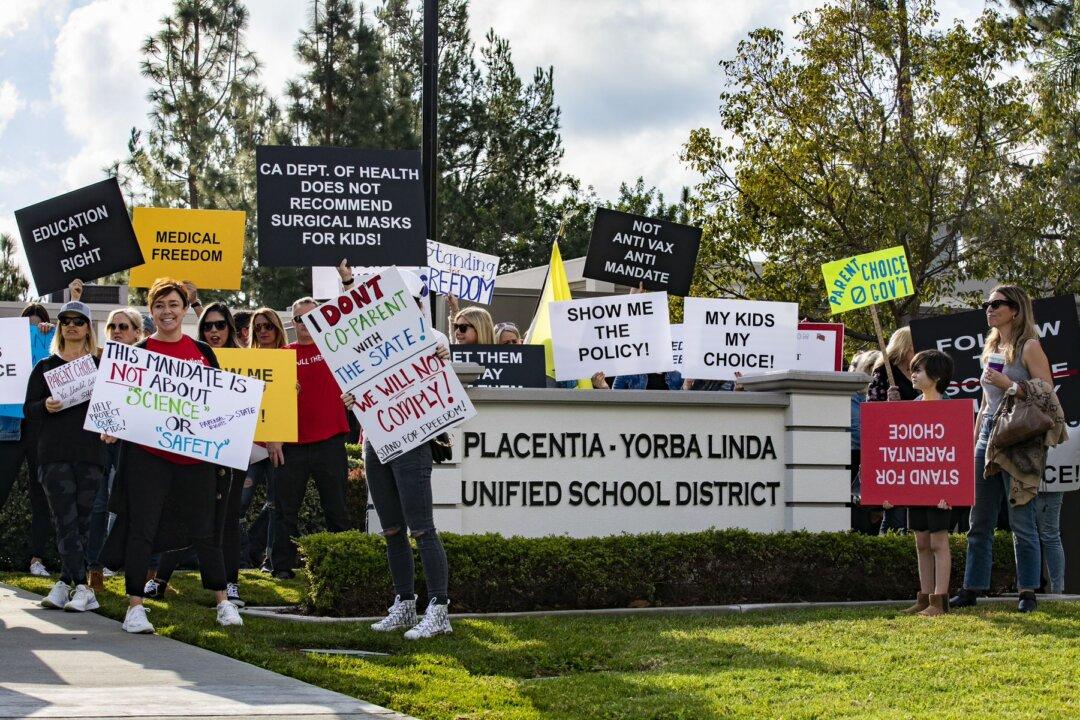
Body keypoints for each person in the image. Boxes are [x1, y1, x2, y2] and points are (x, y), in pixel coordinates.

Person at [102, 277, 242, 633]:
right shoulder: (139, 352)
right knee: (141, 527)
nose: (167, 312)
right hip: (148, 456)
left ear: (184, 310)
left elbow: (218, 403)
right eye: (160, 306)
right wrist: (111, 423)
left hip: (194, 457)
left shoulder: (203, 352)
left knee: (206, 529)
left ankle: (223, 602)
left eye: (174, 305)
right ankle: (135, 606)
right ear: (151, 311)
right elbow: (121, 400)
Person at [343, 269, 455, 640]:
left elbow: (442, 375)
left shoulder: (432, 336)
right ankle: (405, 604)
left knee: (422, 528)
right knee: (391, 528)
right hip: (376, 439)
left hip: (413, 439)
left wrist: (443, 355)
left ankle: (439, 609)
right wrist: (350, 397)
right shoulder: (366, 339)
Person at [952, 286, 1054, 613]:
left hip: (1019, 442)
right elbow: (986, 403)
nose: (989, 309)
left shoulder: (1030, 346)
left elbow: (1047, 393)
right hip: (988, 439)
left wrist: (1010, 385)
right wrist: (973, 441)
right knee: (979, 519)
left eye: (996, 304)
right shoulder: (992, 347)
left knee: (1021, 519)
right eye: (987, 304)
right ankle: (972, 587)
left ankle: (1027, 591)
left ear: (1015, 310)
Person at [147, 303, 247, 607]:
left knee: (227, 518)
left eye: (220, 325)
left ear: (230, 327)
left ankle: (230, 584)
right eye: (208, 326)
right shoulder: (195, 355)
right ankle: (160, 579)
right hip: (195, 448)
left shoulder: (251, 360)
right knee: (186, 514)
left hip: (235, 446)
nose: (214, 331)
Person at [24, 300, 104, 612]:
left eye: (79, 321)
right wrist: (44, 406)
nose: (72, 325)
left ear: (87, 329)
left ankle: (65, 582)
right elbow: (28, 409)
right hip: (53, 455)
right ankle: (82, 587)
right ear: (60, 328)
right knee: (64, 519)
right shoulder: (44, 367)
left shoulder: (100, 367)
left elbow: (115, 409)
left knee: (80, 522)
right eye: (66, 320)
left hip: (90, 454)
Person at [269, 298, 352, 580]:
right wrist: (273, 438)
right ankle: (281, 566)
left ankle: (342, 562)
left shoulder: (338, 349)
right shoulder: (282, 355)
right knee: (285, 510)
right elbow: (270, 402)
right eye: (300, 318)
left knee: (337, 509)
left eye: (312, 317)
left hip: (330, 442)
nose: (306, 323)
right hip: (291, 446)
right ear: (293, 322)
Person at [888, 350, 955, 617]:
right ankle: (924, 597)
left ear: (937, 377)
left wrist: (950, 491)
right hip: (918, 487)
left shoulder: (951, 409)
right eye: (912, 369)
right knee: (921, 543)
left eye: (919, 370)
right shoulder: (911, 407)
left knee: (939, 542)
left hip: (941, 490)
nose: (912, 374)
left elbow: (955, 454)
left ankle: (940, 599)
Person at [86, 307, 144, 589]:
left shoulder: (149, 363)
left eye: (123, 327)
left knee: (139, 506)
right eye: (112, 327)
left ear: (136, 333)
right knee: (99, 506)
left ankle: (147, 571)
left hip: (135, 445)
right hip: (101, 446)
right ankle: (95, 569)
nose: (117, 332)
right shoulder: (95, 362)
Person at [0, 303, 56, 578]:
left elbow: (51, 373)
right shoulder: (8, 342)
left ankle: (37, 558)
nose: (35, 328)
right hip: (9, 426)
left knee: (40, 495)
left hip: (39, 428)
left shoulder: (50, 345)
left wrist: (47, 338)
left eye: (39, 324)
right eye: (29, 326)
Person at [242, 307, 288, 572]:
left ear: (277, 328)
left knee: (275, 504)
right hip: (251, 443)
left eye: (267, 326)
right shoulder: (247, 360)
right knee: (239, 504)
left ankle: (268, 559)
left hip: (278, 444)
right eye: (257, 327)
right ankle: (239, 557)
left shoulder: (288, 356)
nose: (263, 331)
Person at [867, 327, 917, 533]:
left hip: (918, 446)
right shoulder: (884, 373)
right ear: (905, 347)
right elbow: (871, 412)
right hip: (894, 449)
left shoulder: (921, 371)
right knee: (895, 508)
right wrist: (888, 404)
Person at [848, 350, 881, 535]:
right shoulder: (852, 397)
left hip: (872, 460)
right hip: (856, 460)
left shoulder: (880, 395)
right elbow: (857, 433)